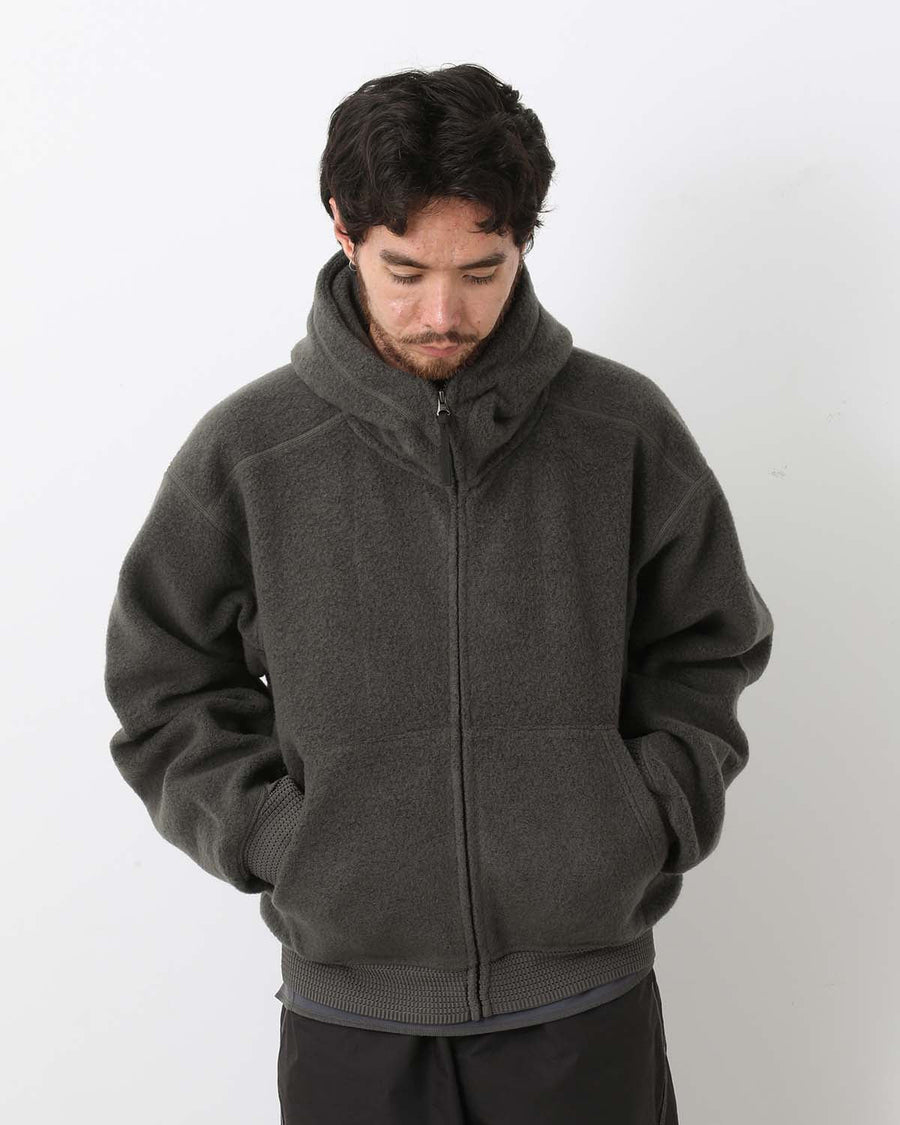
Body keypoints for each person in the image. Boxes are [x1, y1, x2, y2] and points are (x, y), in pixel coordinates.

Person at [104, 62, 774, 1123]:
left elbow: (707, 643)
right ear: (343, 230)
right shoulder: (252, 452)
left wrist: (641, 815)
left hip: (582, 1004)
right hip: (352, 1021)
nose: (442, 312)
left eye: (482, 269)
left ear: (524, 244)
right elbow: (163, 684)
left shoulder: (620, 430)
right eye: (405, 269)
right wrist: (280, 837)